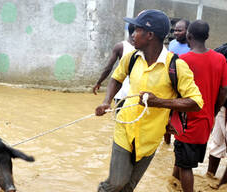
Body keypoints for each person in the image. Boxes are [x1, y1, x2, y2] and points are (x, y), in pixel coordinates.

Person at [95, 10, 203, 192]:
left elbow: (196, 102)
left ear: (150, 35)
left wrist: (159, 102)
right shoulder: (131, 58)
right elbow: (116, 78)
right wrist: (107, 101)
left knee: (128, 187)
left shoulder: (176, 66)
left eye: (136, 30)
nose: (132, 35)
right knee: (116, 183)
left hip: (151, 137)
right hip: (125, 130)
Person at [170, 20, 227, 192]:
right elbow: (224, 91)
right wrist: (214, 111)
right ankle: (172, 184)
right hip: (206, 121)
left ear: (189, 36)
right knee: (181, 159)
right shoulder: (220, 59)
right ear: (208, 37)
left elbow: (173, 92)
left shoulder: (182, 60)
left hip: (186, 121)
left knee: (186, 166)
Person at [92, 23, 135, 109]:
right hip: (135, 94)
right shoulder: (145, 49)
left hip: (122, 92)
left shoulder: (120, 46)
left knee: (120, 119)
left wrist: (99, 82)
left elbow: (108, 68)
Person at [164, 19, 191, 144]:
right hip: (169, 86)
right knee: (166, 117)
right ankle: (166, 144)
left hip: (184, 88)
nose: (176, 33)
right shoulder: (173, 43)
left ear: (187, 31)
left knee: (181, 119)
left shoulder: (191, 47)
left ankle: (179, 143)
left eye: (179, 30)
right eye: (174, 30)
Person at [206, 43, 227, 189]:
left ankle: (221, 185)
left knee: (217, 142)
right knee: (217, 142)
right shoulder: (223, 50)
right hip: (223, 105)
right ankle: (210, 177)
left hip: (222, 103)